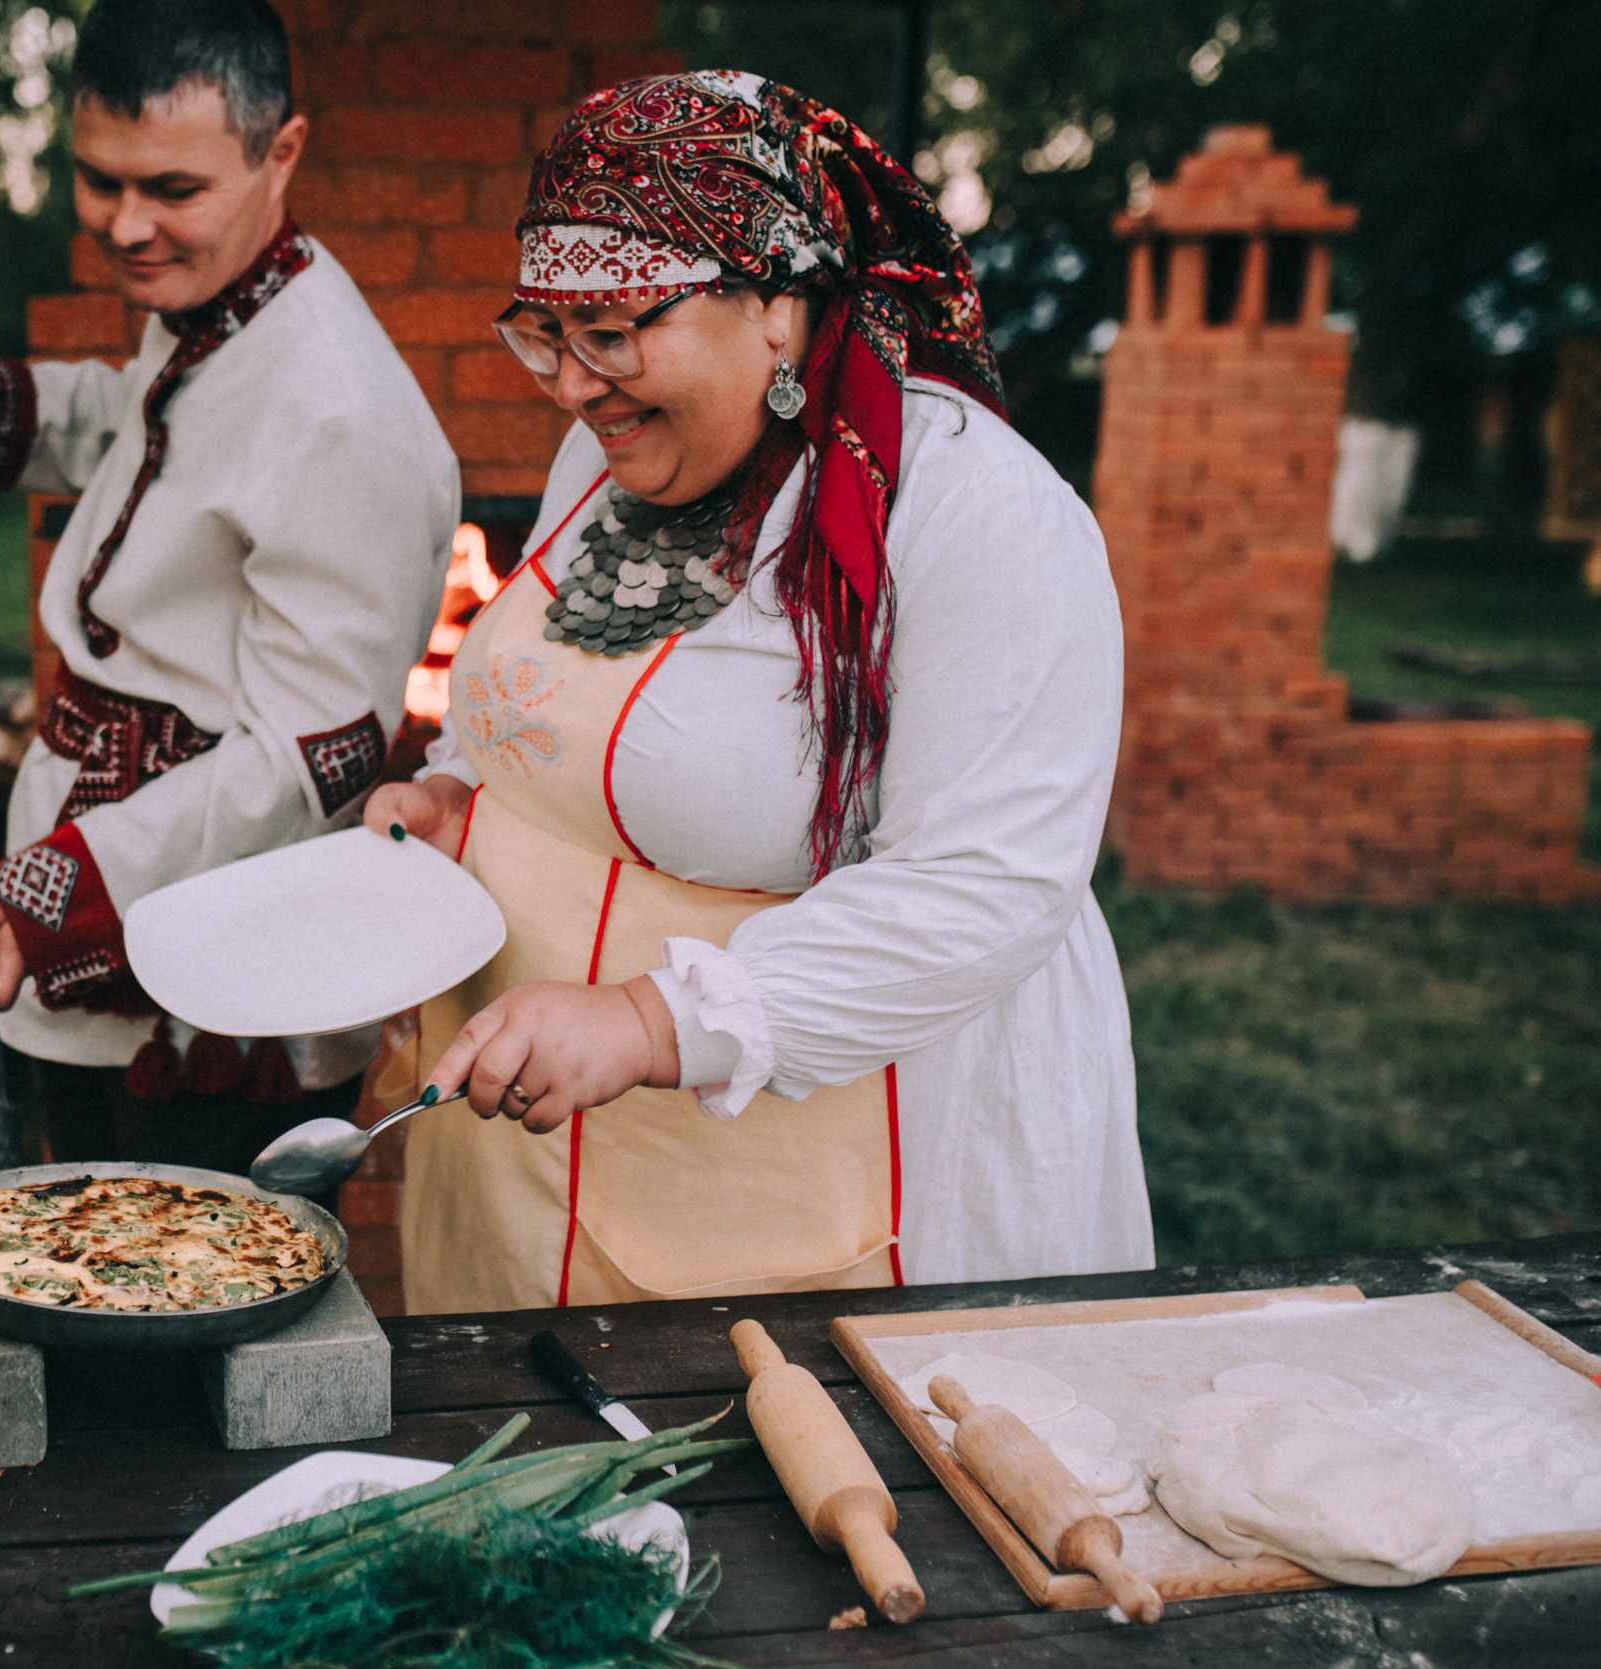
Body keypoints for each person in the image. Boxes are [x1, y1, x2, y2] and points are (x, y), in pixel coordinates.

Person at [363, 72, 1153, 1312]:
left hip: (811, 1203)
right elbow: (547, 698)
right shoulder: (612, 443)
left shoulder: (979, 518)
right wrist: (455, 795)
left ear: (777, 304)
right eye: (544, 331)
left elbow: (983, 889)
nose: (571, 384)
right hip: (527, 1179)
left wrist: (646, 1020)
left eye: (616, 328)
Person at [0, 0, 457, 1176]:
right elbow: (155, 439)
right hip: (113, 879)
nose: (126, 225)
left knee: (164, 1313)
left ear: (279, 151)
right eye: (97, 181)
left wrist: (68, 882)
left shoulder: (340, 413)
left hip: (212, 975)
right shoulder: (221, 301)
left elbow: (312, 755)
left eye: (171, 190)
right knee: (76, 1265)